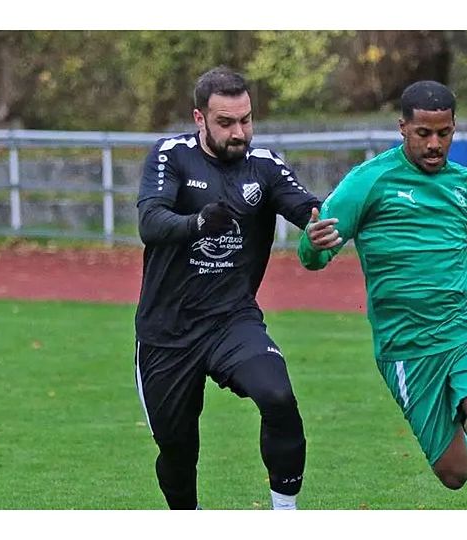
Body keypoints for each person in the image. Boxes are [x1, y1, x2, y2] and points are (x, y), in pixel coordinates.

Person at [298, 80, 467, 510]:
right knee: (454, 474)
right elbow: (314, 255)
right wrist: (312, 245)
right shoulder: (368, 182)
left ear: (454, 128)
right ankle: (457, 427)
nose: (434, 144)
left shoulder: (464, 185)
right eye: (423, 133)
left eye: (444, 133)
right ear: (402, 128)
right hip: (406, 345)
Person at [134, 66, 319, 510]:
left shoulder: (264, 165)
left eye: (246, 120)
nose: (239, 133)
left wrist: (322, 224)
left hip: (231, 319)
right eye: (226, 122)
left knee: (278, 397)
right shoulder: (171, 155)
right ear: (199, 119)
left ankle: (286, 514)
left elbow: (308, 209)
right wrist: (198, 222)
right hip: (167, 330)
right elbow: (150, 221)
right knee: (177, 451)